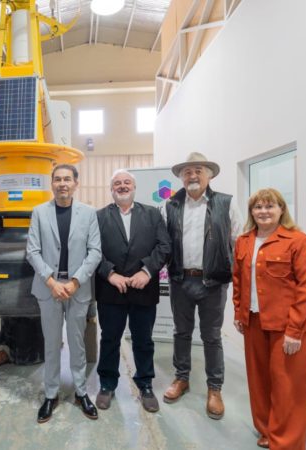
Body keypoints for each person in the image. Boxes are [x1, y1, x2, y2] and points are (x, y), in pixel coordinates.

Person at [232, 188, 306, 449]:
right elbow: (238, 279)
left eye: (270, 206)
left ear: (281, 210)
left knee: (288, 387)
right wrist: (239, 312)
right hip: (254, 321)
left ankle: (287, 442)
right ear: (251, 212)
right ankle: (267, 431)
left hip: (287, 326)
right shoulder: (244, 241)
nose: (264, 211)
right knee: (259, 382)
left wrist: (295, 330)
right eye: (258, 207)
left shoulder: (297, 240)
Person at [162, 152, 242, 419]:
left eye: (198, 170)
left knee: (212, 336)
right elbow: (163, 243)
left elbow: (238, 243)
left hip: (213, 282)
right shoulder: (170, 205)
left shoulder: (226, 204)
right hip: (181, 280)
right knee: (181, 332)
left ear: (209, 175)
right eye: (187, 172)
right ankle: (181, 378)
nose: (192, 176)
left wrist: (236, 277)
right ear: (181, 178)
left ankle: (214, 389)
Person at [26, 164, 102, 424]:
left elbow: (95, 252)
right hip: (49, 289)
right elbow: (32, 251)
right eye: (57, 179)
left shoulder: (89, 213)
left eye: (67, 179)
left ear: (76, 183)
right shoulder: (39, 212)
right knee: (51, 343)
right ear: (52, 183)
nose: (62, 184)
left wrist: (75, 282)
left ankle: (81, 391)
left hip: (77, 289)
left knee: (77, 342)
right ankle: (50, 394)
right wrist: (51, 281)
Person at [94, 169, 171, 413]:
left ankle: (145, 385)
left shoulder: (152, 214)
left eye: (127, 182)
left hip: (143, 289)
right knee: (109, 339)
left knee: (143, 341)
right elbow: (92, 250)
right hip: (111, 290)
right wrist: (110, 273)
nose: (122, 186)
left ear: (134, 187)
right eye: (117, 183)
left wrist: (147, 271)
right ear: (111, 189)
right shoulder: (98, 217)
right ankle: (107, 385)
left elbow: (164, 246)